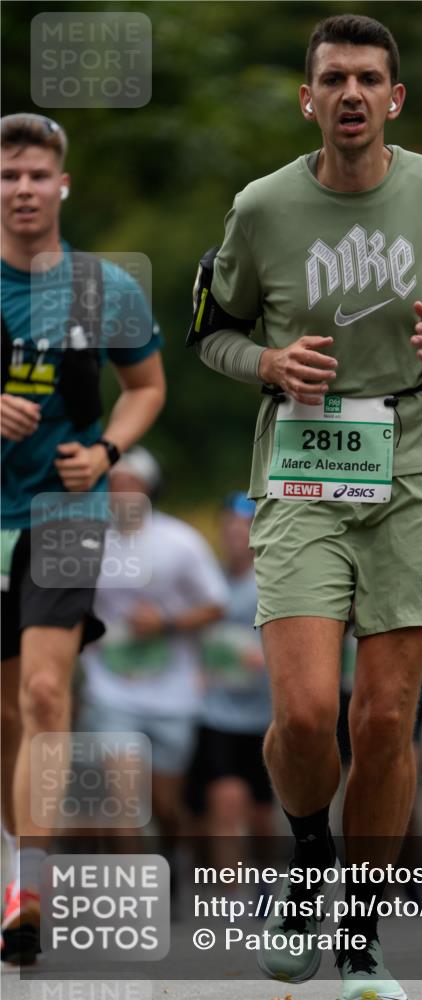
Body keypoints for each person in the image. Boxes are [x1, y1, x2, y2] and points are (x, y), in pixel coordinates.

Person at [189, 15, 422, 999]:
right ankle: (305, 858)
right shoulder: (261, 207)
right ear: (308, 98)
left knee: (382, 717)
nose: (351, 96)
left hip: (414, 462)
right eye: (333, 79)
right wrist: (268, 362)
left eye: (369, 79)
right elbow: (212, 333)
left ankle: (362, 934)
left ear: (394, 98)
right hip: (300, 462)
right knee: (299, 713)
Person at [0, 113, 165, 965]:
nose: (23, 189)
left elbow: (145, 384)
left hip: (64, 512)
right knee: (3, 711)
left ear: (62, 184)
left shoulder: (102, 287)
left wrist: (105, 450)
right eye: (8, 176)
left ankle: (30, 891)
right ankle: (12, 872)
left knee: (41, 697)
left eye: (36, 174)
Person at [77, 448, 228, 858]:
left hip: (172, 693)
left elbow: (216, 605)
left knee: (163, 806)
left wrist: (165, 623)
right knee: (124, 800)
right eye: (113, 484)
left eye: (131, 484)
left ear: (149, 490)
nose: (121, 493)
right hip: (110, 688)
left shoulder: (180, 541)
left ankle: (171, 858)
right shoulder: (85, 539)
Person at [185, 492, 274, 871]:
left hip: (266, 714)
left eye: (245, 527)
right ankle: (232, 895)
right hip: (216, 712)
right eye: (230, 527)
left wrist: (268, 658)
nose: (236, 534)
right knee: (225, 798)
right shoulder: (207, 582)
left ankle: (268, 880)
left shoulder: (277, 582)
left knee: (260, 817)